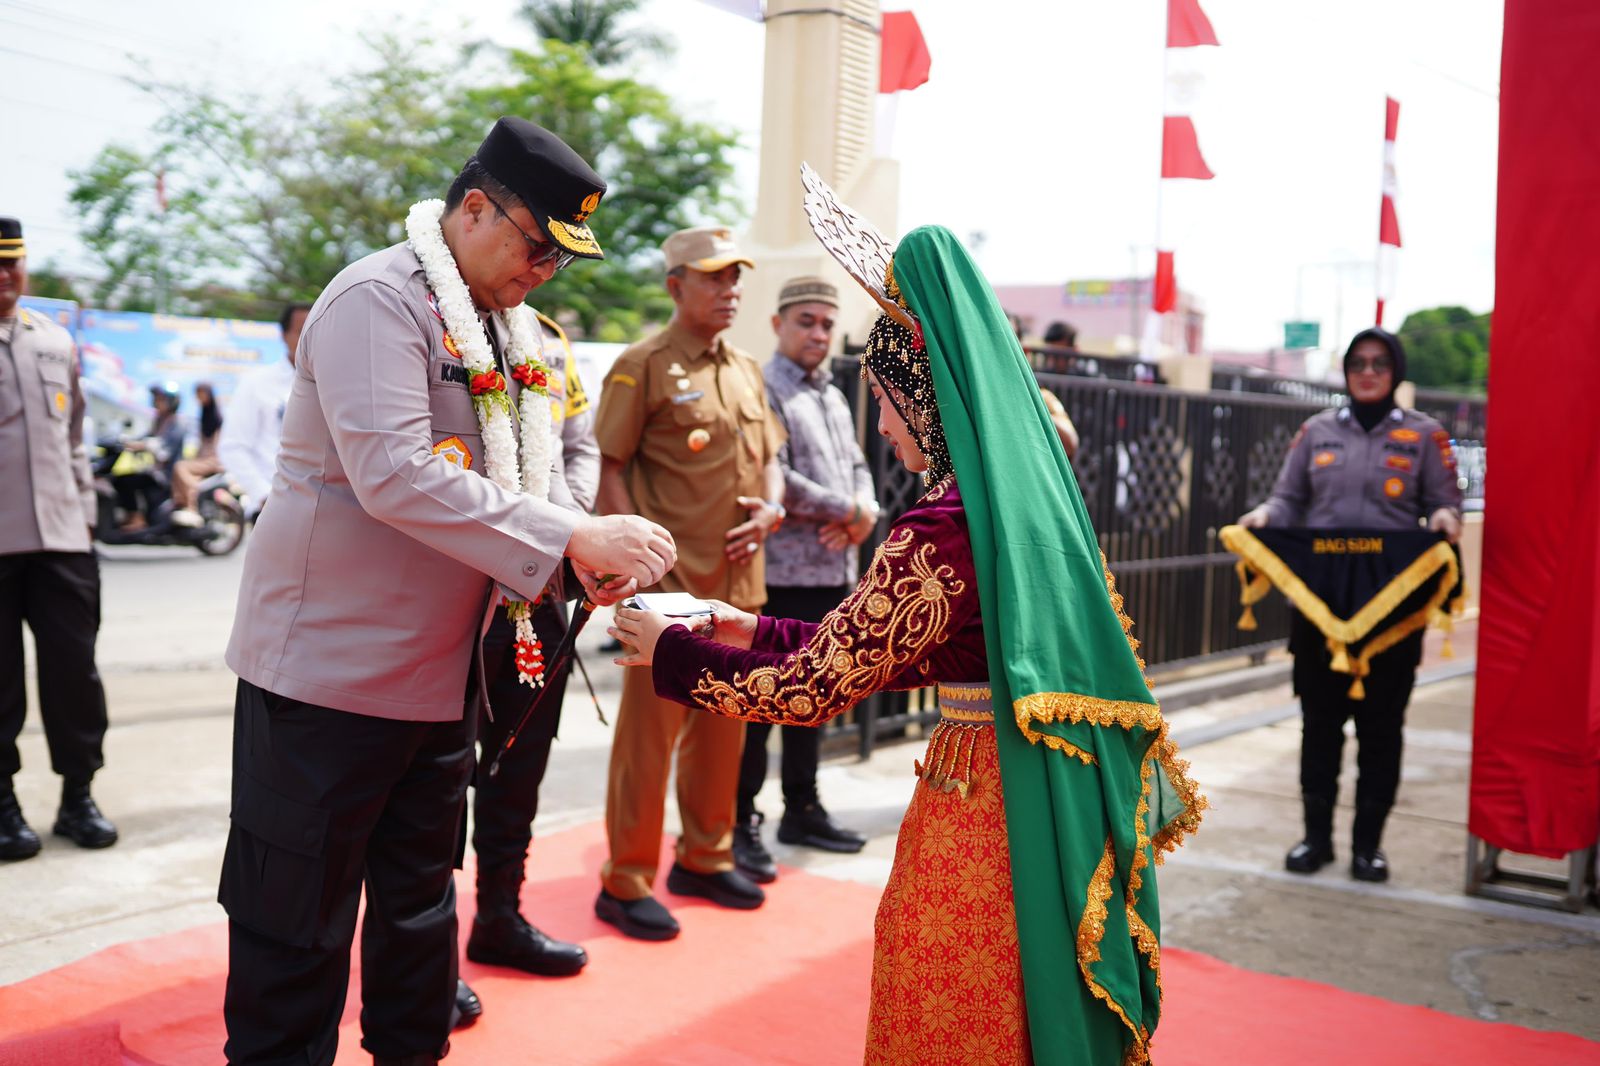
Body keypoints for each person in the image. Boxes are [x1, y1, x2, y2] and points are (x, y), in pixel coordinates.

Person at [610, 220, 1204, 1064]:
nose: (882, 426)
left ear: (923, 397)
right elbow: (898, 646)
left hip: (985, 809)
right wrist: (745, 625)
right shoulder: (1016, 511)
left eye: (886, 402)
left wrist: (669, 654)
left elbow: (816, 691)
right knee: (1013, 1003)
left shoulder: (942, 526)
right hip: (1035, 788)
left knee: (951, 1001)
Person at [219, 118, 676, 1066]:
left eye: (560, 259)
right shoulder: (376, 300)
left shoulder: (511, 330)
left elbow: (531, 471)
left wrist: (578, 549)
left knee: (421, 912)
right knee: (294, 930)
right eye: (536, 246)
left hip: (440, 683)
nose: (544, 272)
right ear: (474, 209)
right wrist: (570, 534)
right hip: (325, 681)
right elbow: (394, 472)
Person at [591, 225, 786, 941]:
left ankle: (705, 857)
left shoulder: (746, 367)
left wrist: (773, 506)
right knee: (650, 739)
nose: (729, 290)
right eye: (714, 278)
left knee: (724, 730)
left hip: (737, 587)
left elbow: (768, 456)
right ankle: (626, 880)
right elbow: (607, 467)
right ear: (676, 286)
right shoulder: (641, 364)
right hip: (667, 589)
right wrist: (633, 564)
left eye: (735, 277)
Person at [1239, 327, 1462, 883]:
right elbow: (1288, 499)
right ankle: (1316, 839)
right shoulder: (1315, 431)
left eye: (1379, 363)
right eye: (1358, 362)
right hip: (1320, 605)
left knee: (1382, 729)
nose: (1368, 371)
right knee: (1319, 725)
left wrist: (1444, 520)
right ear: (1345, 371)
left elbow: (1444, 501)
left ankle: (1369, 847)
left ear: (1395, 371)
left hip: (1391, 610)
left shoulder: (1424, 436)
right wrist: (1266, 517)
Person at [465, 310, 596, 979]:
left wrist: (572, 529)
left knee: (518, 772)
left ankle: (498, 918)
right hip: (454, 595)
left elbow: (578, 444)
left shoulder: (547, 338)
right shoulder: (431, 319)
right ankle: (419, 951)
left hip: (540, 592)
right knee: (432, 781)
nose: (540, 264)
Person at [730, 275, 875, 884]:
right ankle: (741, 821)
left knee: (813, 698)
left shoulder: (835, 395)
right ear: (778, 325)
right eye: (806, 321)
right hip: (782, 574)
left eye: (825, 323)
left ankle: (803, 808)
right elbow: (777, 477)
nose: (817, 333)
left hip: (833, 570)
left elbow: (861, 464)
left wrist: (865, 512)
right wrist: (849, 511)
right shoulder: (763, 388)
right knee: (763, 699)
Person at [0, 216, 118, 862]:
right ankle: (2, 803)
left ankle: (79, 796)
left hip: (63, 541)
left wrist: (85, 520)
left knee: (75, 674)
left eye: (12, 262)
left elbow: (74, 439)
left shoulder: (54, 341)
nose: (5, 275)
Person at [217, 303, 308, 519]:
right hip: (274, 512)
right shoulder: (257, 383)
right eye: (301, 332)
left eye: (317, 332)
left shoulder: (337, 385)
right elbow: (233, 447)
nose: (310, 340)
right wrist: (264, 494)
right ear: (284, 335)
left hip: (326, 513)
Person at [112, 381, 186, 531]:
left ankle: (136, 518)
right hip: (156, 471)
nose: (156, 403)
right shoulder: (159, 420)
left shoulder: (178, 422)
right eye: (156, 399)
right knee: (120, 479)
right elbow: (145, 438)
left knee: (126, 481)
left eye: (161, 399)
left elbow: (163, 448)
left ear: (171, 401)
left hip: (166, 475)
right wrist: (127, 442)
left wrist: (141, 445)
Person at [170, 381, 223, 527]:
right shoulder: (204, 414)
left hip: (214, 460)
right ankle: (181, 504)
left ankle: (193, 504)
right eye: (197, 394)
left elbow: (216, 445)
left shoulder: (216, 417)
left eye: (201, 394)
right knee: (179, 470)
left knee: (180, 467)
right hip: (205, 458)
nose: (198, 397)